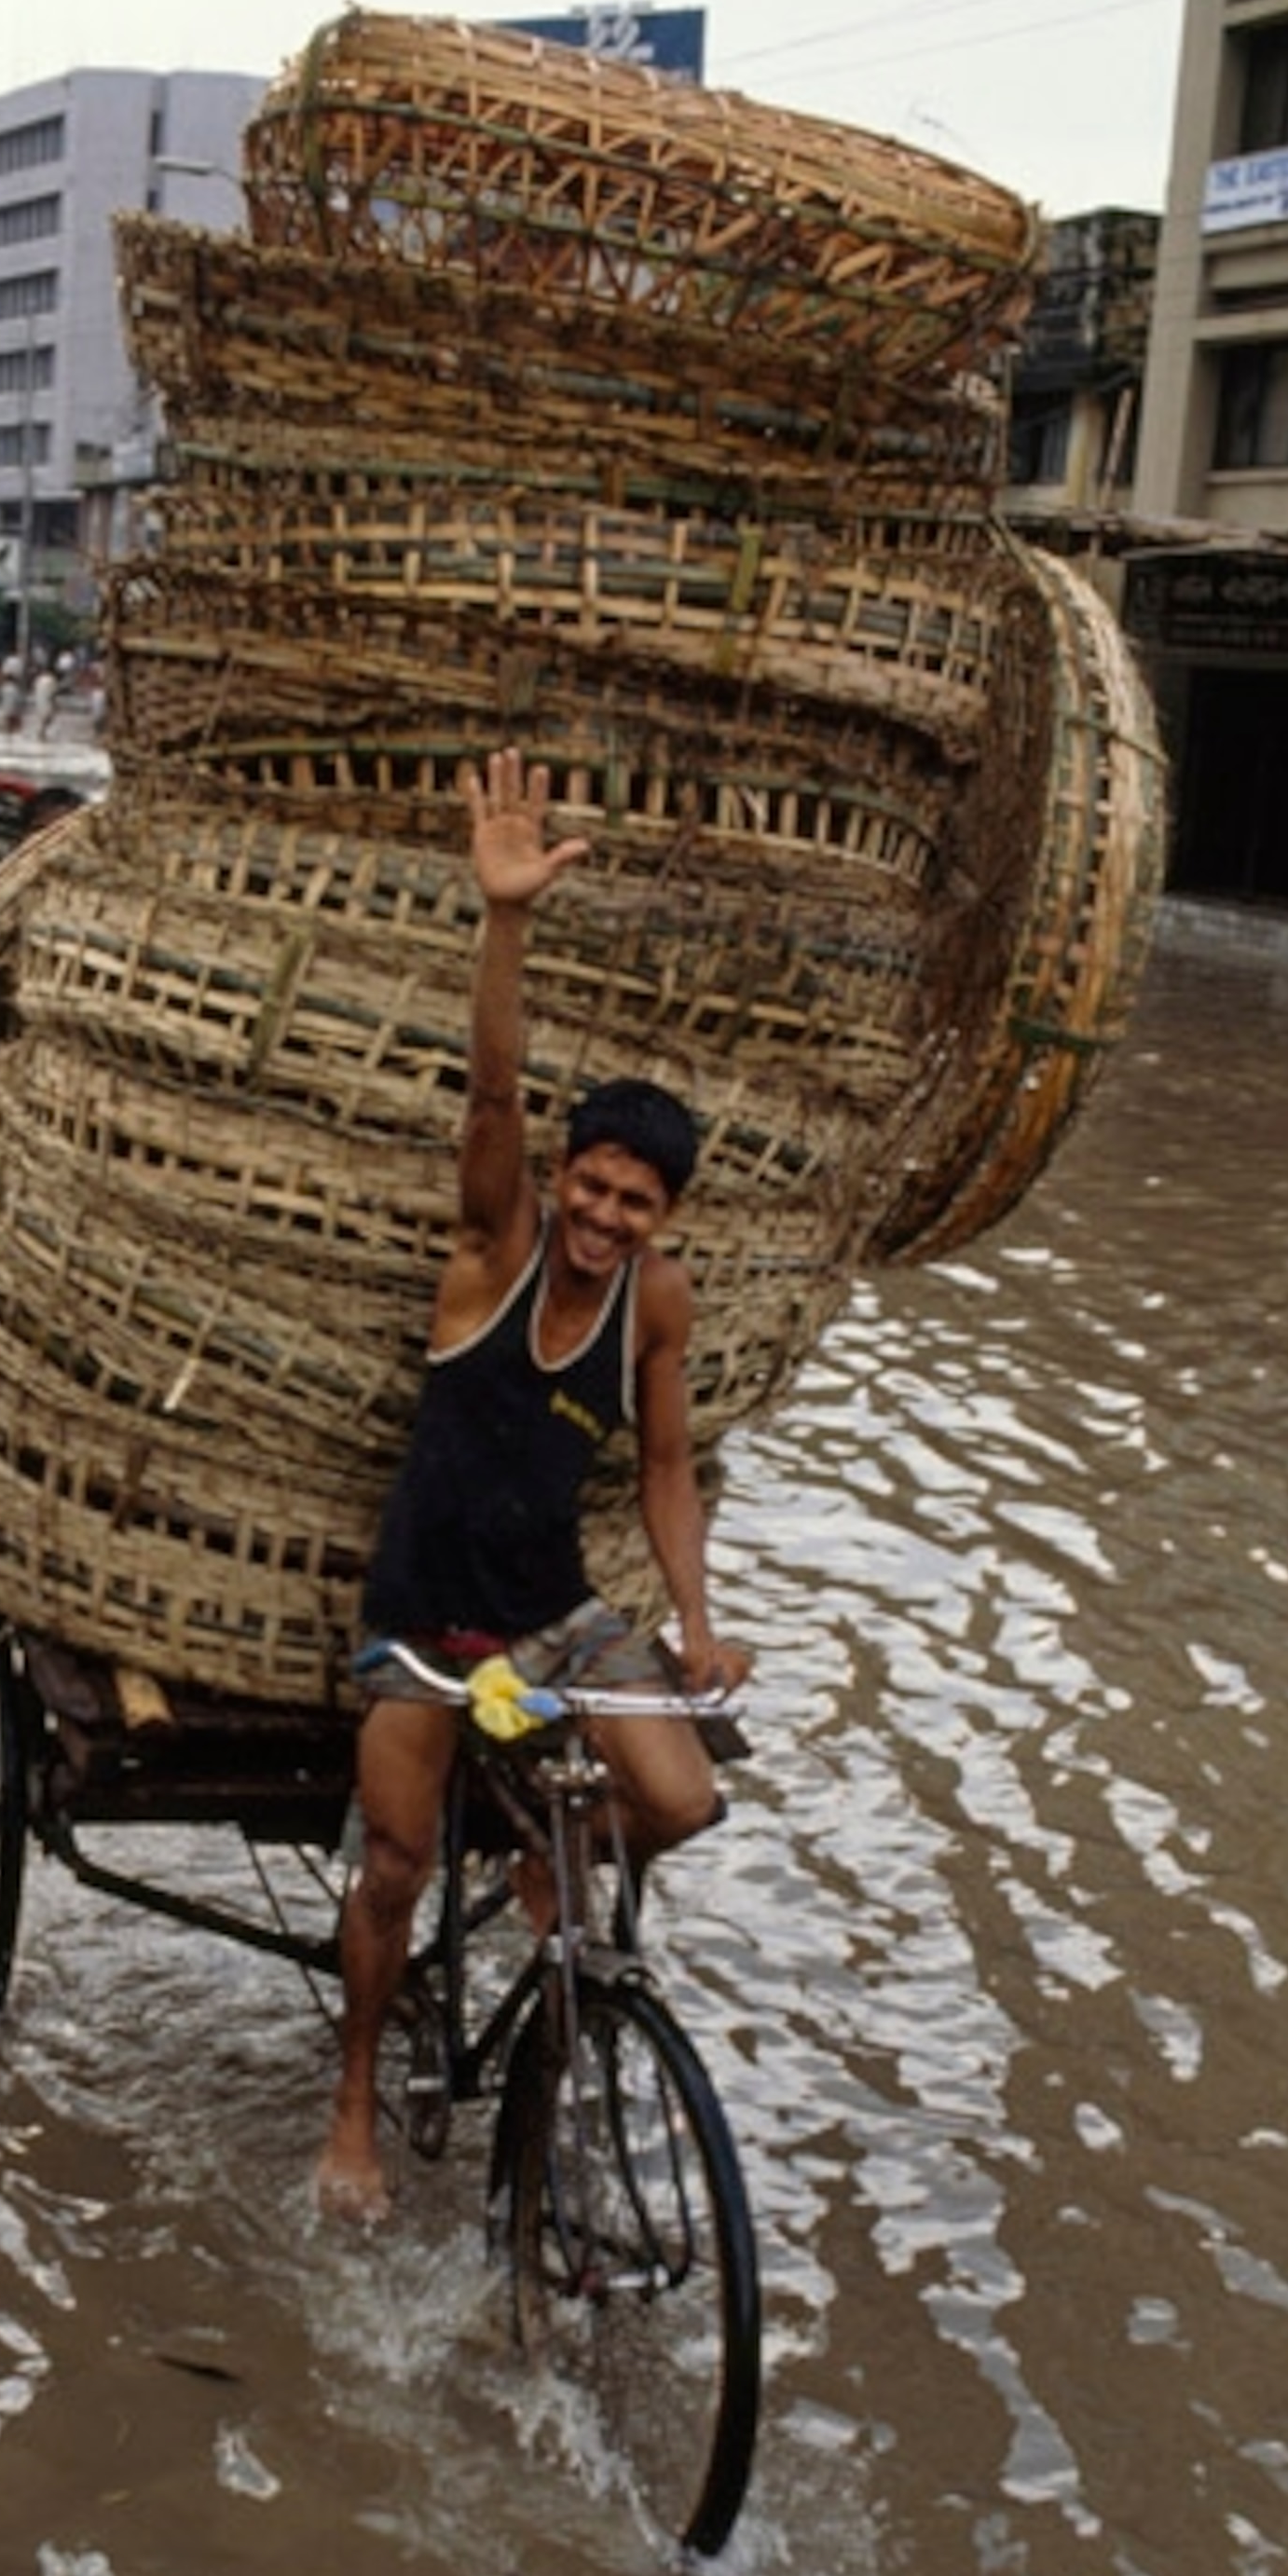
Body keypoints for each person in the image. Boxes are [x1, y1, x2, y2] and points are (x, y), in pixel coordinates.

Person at [315, 747, 752, 2225]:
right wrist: (504, 917)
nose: (608, 1218)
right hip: (429, 1618)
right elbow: (494, 1091)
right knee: (390, 1866)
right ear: (564, 1178)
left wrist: (693, 1624)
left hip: (556, 1614)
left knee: (685, 1803)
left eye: (639, 1204)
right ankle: (359, 2099)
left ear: (661, 1218)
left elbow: (671, 1468)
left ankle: (547, 1889)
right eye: (597, 1186)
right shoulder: (492, 1254)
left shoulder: (660, 1304)